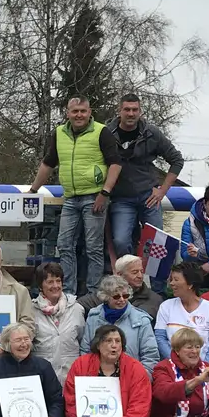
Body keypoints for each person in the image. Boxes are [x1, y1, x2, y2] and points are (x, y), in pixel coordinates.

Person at [27, 96, 123, 296]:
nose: (79, 115)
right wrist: (33, 190)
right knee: (64, 245)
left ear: (89, 112)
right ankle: (68, 292)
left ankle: (93, 293)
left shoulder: (101, 131)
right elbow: (48, 163)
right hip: (70, 197)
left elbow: (115, 164)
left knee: (94, 248)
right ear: (67, 113)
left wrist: (104, 193)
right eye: (74, 111)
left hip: (95, 196)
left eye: (83, 111)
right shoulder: (60, 133)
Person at [106, 93, 184, 259]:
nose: (131, 113)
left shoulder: (151, 133)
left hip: (149, 197)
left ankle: (157, 285)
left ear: (140, 112)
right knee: (120, 241)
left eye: (135, 110)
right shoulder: (106, 133)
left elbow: (177, 160)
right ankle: (131, 280)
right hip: (121, 199)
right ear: (119, 111)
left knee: (158, 243)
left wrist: (163, 190)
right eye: (127, 109)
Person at [81, 275, 160, 372]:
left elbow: (150, 356)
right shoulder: (93, 317)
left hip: (132, 380)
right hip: (99, 381)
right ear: (106, 297)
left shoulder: (142, 320)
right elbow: (86, 351)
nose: (122, 299)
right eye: (116, 296)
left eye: (125, 295)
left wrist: (139, 380)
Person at [155, 261, 209, 363]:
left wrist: (202, 367)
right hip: (173, 367)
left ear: (190, 284)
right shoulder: (166, 306)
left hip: (203, 370)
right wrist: (176, 362)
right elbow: (160, 338)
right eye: (171, 279)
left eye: (176, 280)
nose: (171, 283)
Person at [31, 262, 87, 380]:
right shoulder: (31, 310)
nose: (55, 286)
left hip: (71, 376)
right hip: (42, 376)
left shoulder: (76, 309)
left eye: (58, 281)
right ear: (41, 286)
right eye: (50, 282)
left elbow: (83, 341)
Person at [80, 254, 162, 321]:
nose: (140, 276)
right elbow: (80, 305)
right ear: (119, 275)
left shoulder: (154, 300)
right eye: (135, 272)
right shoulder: (106, 292)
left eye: (141, 271)